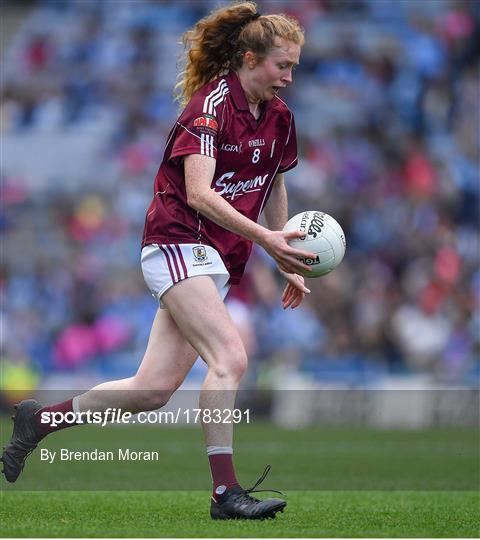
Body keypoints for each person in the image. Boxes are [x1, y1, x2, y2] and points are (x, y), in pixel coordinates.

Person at [2, 1, 315, 520]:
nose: (288, 77)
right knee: (230, 359)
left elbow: (275, 180)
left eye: (294, 67)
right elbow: (198, 193)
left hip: (213, 258)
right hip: (176, 242)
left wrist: (284, 255)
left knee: (150, 391)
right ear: (250, 58)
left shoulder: (280, 118)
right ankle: (225, 494)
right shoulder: (210, 108)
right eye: (282, 66)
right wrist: (268, 240)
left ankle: (39, 422)